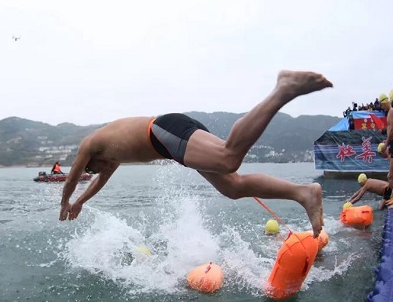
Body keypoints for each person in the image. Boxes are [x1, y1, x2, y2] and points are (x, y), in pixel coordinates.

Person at [59, 70, 333, 237]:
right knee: (233, 187)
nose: (96, 171)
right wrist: (82, 201)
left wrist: (65, 202)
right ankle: (303, 193)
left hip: (165, 131)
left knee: (228, 158)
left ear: (88, 159)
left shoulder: (89, 143)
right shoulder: (109, 156)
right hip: (170, 141)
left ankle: (283, 88)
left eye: (91, 168)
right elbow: (100, 180)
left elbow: (71, 178)